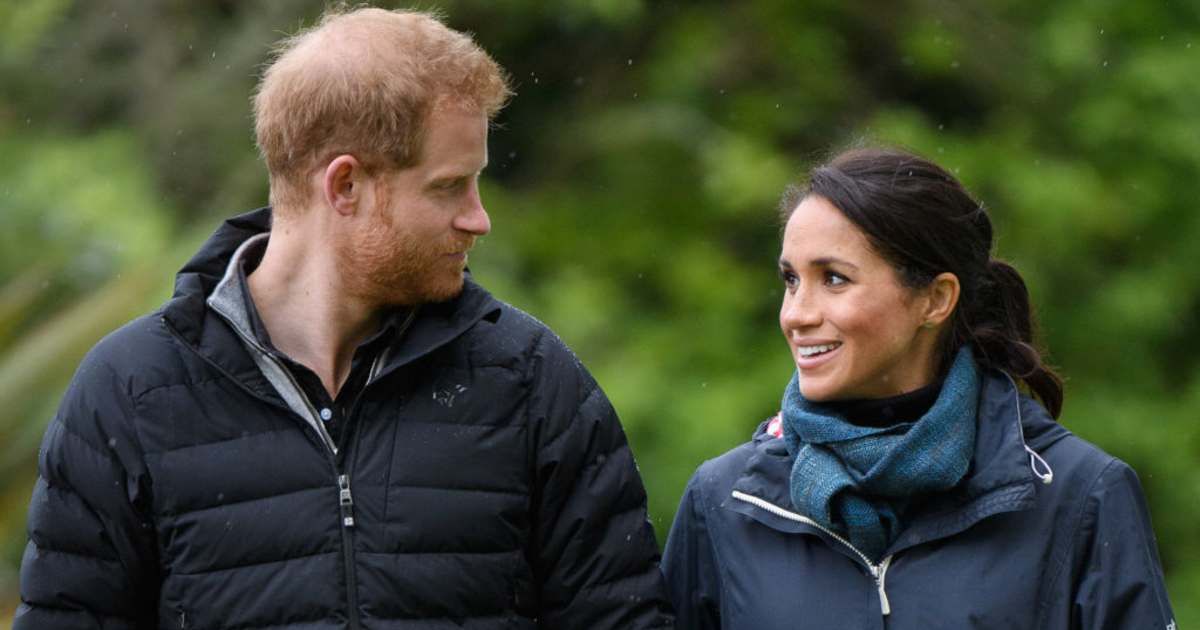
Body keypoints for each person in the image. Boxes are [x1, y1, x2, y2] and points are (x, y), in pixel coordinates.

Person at [15, 7, 673, 629]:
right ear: (345, 186)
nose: (479, 219)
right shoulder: (129, 393)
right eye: (449, 186)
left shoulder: (532, 381)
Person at [661, 147, 1176, 629]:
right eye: (791, 280)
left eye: (834, 278)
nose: (796, 314)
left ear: (935, 299)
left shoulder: (1079, 495)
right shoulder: (724, 502)